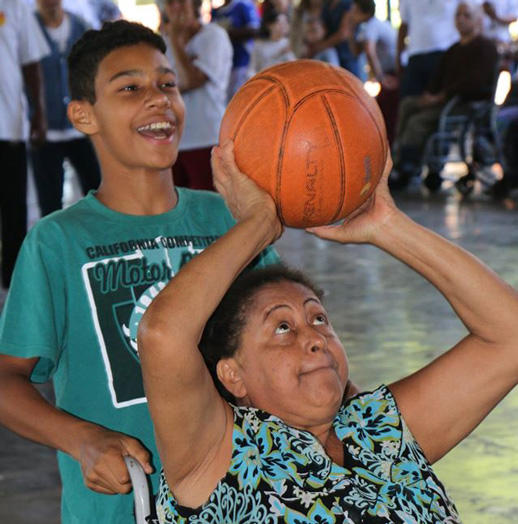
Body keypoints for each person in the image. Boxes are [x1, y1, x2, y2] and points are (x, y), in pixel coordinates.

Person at [138, 139, 518, 523]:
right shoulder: (221, 453)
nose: (315, 338)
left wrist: (389, 226)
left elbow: (510, 335)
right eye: (282, 327)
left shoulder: (376, 429)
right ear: (232, 374)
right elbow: (162, 334)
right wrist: (260, 224)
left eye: (318, 319)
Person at [0, 20, 280, 524]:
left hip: (244, 497)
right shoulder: (58, 241)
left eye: (167, 84)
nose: (158, 99)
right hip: (120, 510)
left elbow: (283, 337)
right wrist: (80, 440)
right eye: (130, 87)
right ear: (84, 115)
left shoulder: (226, 220)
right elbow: (8, 378)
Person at [393, 1, 498, 189]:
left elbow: (473, 83)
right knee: (408, 104)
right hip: (444, 99)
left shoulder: (485, 47)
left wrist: (440, 97)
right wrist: (429, 95)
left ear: (477, 19)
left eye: (466, 15)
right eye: (458, 15)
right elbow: (437, 78)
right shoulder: (453, 50)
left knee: (417, 122)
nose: (461, 20)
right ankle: (397, 155)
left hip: (461, 103)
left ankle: (407, 167)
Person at [32, 0, 101, 216]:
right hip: (45, 130)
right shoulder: (29, 27)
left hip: (82, 127)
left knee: (98, 188)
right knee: (49, 200)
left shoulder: (80, 26)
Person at [0, 0, 49, 289]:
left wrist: (39, 113)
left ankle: (14, 283)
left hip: (9, 126)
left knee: (13, 206)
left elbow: (31, 63)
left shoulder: (14, 6)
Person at [162, 0, 232, 190]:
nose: (175, 6)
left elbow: (191, 80)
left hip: (206, 137)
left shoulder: (213, 36)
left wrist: (176, 41)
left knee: (209, 207)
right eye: (169, 2)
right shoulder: (163, 43)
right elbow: (157, 87)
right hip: (173, 140)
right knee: (178, 207)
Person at [347, 0, 398, 145]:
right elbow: (356, 51)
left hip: (393, 73)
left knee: (385, 110)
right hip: (387, 72)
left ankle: (388, 146)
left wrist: (380, 78)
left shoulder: (372, 26)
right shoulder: (367, 27)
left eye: (354, 10)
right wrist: (350, 30)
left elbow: (370, 51)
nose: (351, 13)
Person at [397, 0, 466, 98]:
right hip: (416, 55)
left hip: (445, 54)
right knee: (408, 101)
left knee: (440, 101)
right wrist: (398, 57)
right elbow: (404, 25)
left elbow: (468, 14)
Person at [211, 0, 261, 100]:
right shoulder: (217, 11)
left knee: (238, 99)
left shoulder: (243, 6)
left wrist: (227, 33)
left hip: (241, 62)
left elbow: (254, 29)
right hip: (221, 64)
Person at [308, 0, 358, 74]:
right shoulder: (326, 5)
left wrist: (322, 46)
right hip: (329, 50)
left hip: (344, 55)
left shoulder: (347, 4)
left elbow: (343, 33)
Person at [247, 10, 296, 76]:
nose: (283, 26)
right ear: (269, 25)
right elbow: (251, 68)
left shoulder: (289, 43)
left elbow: (294, 68)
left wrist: (288, 53)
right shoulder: (259, 44)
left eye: (285, 23)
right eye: (279, 23)